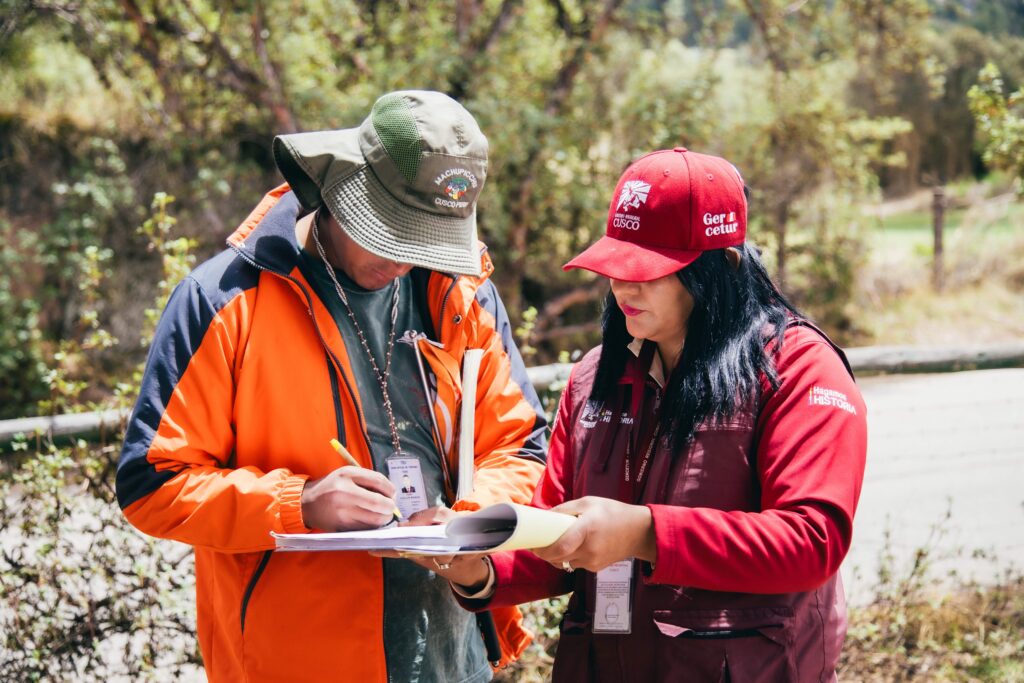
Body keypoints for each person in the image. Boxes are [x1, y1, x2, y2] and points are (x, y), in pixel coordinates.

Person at [116, 90, 548, 683]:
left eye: (423, 240)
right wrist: (300, 505)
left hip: (456, 660)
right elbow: (152, 484)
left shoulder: (463, 294)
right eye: (392, 234)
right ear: (341, 187)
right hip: (295, 663)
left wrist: (463, 521)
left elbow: (524, 450)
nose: (404, 261)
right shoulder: (223, 301)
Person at [435, 147, 868, 681]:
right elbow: (554, 531)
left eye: (649, 270)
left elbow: (811, 540)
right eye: (615, 266)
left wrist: (645, 533)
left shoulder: (799, 369)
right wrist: (478, 564)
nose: (623, 287)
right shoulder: (594, 377)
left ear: (723, 266)